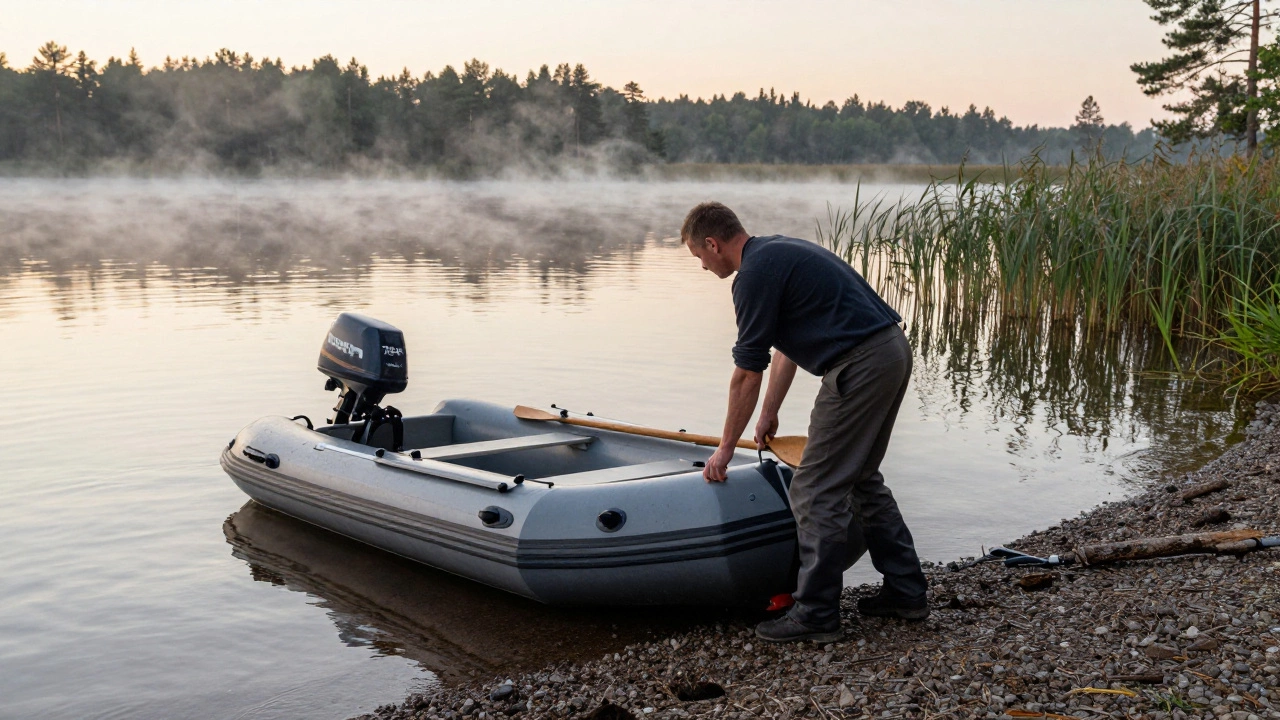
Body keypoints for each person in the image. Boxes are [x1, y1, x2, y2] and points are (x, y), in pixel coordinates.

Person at [681, 201, 929, 643]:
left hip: (860, 365)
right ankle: (906, 592)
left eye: (698, 256)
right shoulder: (774, 252)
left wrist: (723, 449)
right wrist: (770, 410)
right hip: (889, 350)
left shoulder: (753, 276)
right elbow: (785, 348)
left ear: (713, 244)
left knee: (814, 489)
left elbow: (745, 374)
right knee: (861, 478)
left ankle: (815, 613)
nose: (701, 267)